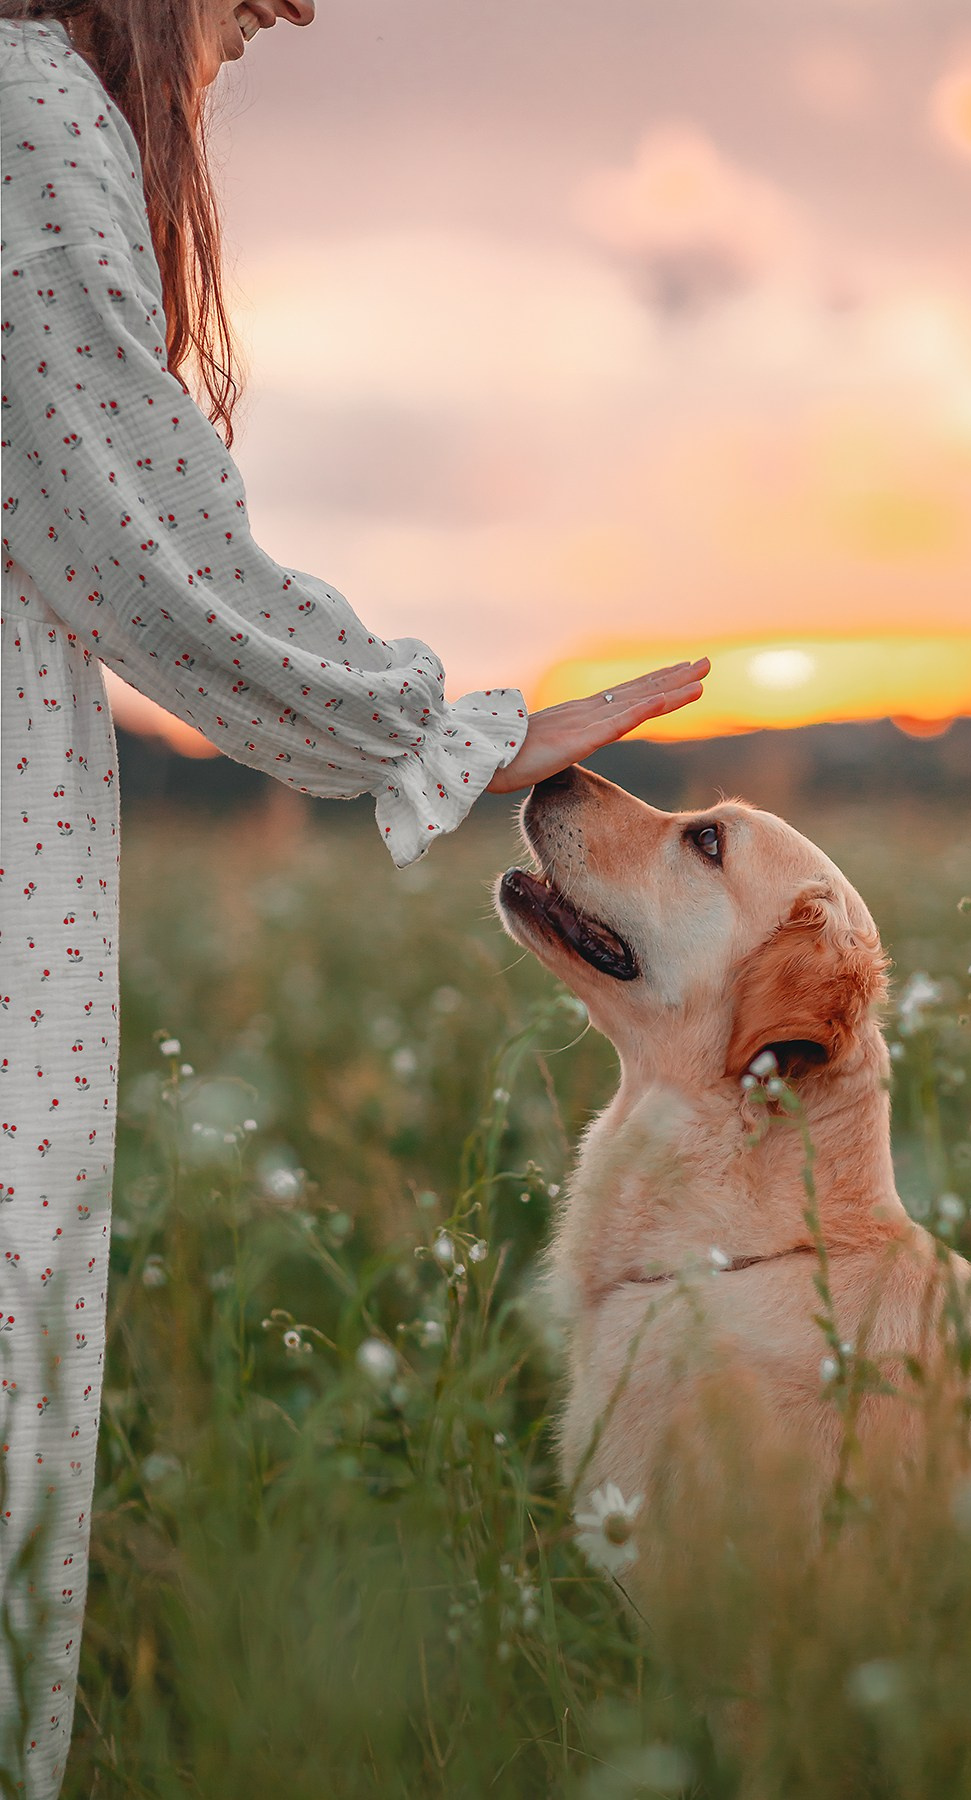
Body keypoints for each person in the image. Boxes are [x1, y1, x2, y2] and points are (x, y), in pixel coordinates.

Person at [0, 2, 708, 1790]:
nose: (246, 51)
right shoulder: (28, 113)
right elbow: (146, 552)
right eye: (244, 16)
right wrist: (459, 734)